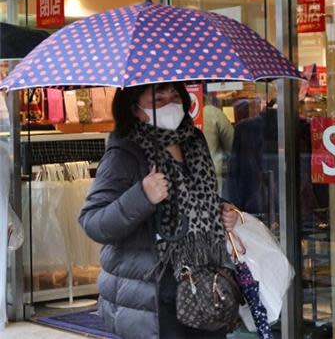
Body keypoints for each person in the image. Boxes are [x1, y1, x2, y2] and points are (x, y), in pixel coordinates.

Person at [79, 82, 240, 339]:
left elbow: (197, 200)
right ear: (135, 109)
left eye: (175, 96)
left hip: (205, 282)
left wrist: (220, 211)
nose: (170, 104)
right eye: (159, 99)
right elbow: (93, 222)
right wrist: (142, 196)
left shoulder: (194, 142)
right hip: (154, 294)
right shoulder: (125, 153)